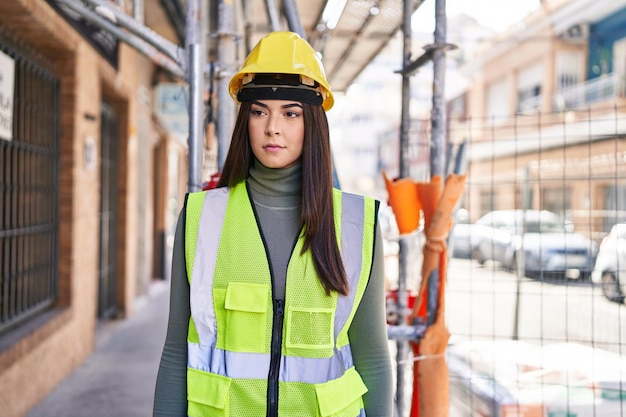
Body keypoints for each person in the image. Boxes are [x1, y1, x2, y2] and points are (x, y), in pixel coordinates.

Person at [153, 31, 393, 417]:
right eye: (260, 111)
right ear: (245, 119)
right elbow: (175, 352)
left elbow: (375, 360)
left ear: (312, 121)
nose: (273, 128)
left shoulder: (356, 223)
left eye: (290, 113)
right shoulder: (200, 217)